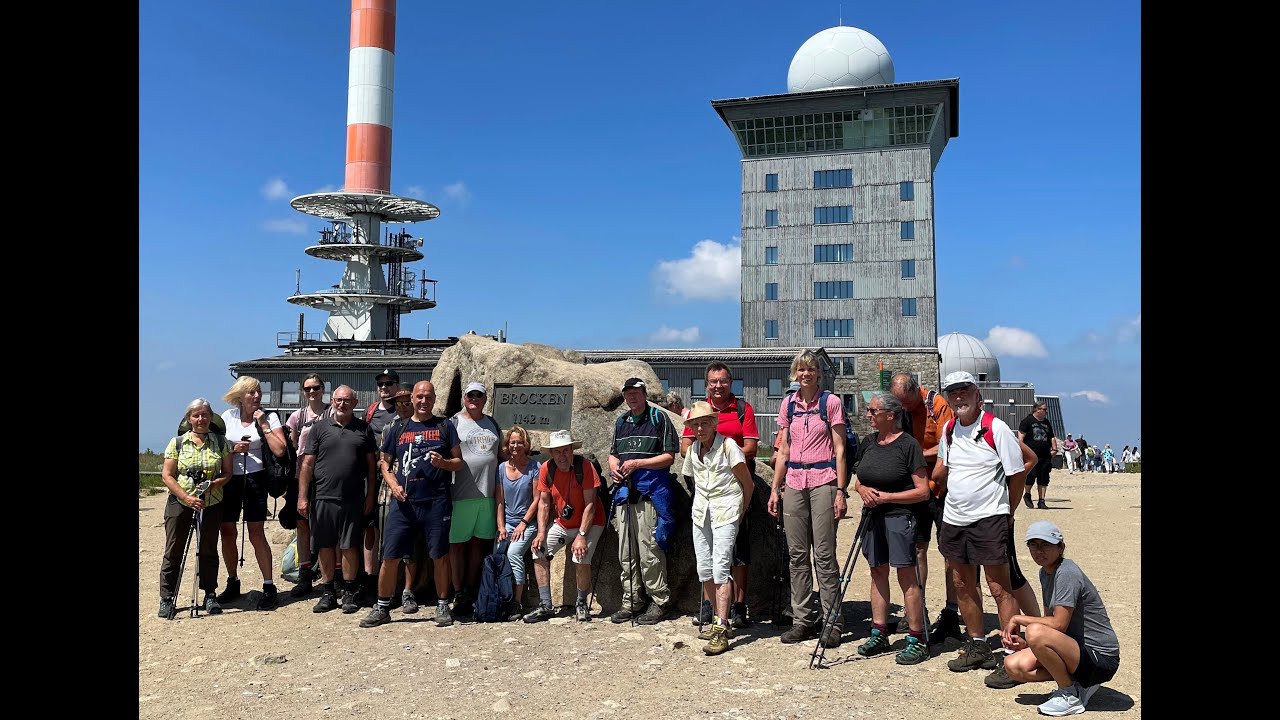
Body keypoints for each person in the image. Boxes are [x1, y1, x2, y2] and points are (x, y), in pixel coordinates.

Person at [931, 371, 1036, 682]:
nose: (959, 397)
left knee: (999, 588)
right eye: (953, 392)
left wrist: (1009, 511)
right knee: (963, 584)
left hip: (989, 517)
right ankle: (978, 645)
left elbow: (1017, 474)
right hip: (954, 518)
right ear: (948, 398)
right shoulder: (949, 429)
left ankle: (1010, 655)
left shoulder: (995, 427)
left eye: (965, 390)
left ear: (977, 394)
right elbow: (944, 470)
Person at [360, 380, 463, 628]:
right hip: (404, 503)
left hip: (436, 501)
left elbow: (459, 461)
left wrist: (445, 464)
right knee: (391, 555)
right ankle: (382, 606)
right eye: (419, 397)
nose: (423, 401)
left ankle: (442, 605)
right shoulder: (398, 428)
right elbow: (384, 463)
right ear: (412, 399)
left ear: (434, 399)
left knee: (439, 555)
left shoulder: (444, 426)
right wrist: (393, 485)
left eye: (428, 397)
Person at [768, 350, 849, 649]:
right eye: (801, 370)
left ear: (819, 373)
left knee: (825, 556)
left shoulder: (831, 403)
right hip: (793, 482)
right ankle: (802, 620)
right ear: (795, 373)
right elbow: (784, 450)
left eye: (811, 369)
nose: (806, 374)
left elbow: (840, 449)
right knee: (797, 556)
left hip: (823, 481)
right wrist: (775, 488)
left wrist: (841, 491)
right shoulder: (788, 404)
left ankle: (832, 621)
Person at [1001, 520, 1120, 716]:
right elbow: (1049, 623)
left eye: (1046, 545)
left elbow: (1059, 624)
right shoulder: (1045, 573)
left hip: (1100, 657)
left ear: (1061, 547)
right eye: (1033, 544)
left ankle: (1069, 694)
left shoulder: (1067, 572)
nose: (1039, 551)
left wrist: (1018, 619)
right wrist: (1028, 644)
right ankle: (1080, 684)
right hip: (1075, 649)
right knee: (1013, 666)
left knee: (1034, 631)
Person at [850, 391, 933, 664]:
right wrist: (863, 491)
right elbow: (858, 480)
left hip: (899, 516)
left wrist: (887, 498)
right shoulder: (868, 442)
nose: (869, 415)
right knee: (877, 571)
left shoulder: (908, 445)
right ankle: (879, 631)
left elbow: (922, 491)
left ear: (891, 415)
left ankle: (916, 636)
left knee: (906, 575)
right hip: (872, 517)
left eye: (873, 411)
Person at [681, 362, 760, 629]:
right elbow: (686, 448)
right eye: (713, 381)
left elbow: (750, 446)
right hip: (707, 502)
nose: (718, 386)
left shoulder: (741, 409)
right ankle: (712, 608)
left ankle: (735, 609)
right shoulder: (700, 411)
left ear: (730, 382)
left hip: (732, 491)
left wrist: (727, 454)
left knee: (735, 555)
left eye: (723, 381)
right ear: (707, 385)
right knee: (707, 561)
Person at [889, 371, 961, 643]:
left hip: (940, 489)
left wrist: (915, 456)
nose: (905, 409)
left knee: (950, 552)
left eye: (907, 403)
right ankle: (917, 611)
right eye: (900, 405)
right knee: (917, 549)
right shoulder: (897, 409)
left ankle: (952, 612)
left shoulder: (938, 405)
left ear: (916, 391)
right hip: (914, 490)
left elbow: (949, 445)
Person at [296, 385, 378, 614]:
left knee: (349, 546)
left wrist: (370, 496)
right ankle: (328, 591)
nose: (342, 404)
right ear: (332, 401)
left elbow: (372, 470)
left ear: (355, 402)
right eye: (338, 400)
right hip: (322, 497)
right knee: (325, 545)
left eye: (347, 401)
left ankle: (349, 591)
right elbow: (307, 464)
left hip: (353, 498)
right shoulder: (319, 428)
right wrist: (302, 497)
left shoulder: (364, 429)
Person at [607, 377, 680, 625]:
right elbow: (613, 454)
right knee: (626, 553)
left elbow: (669, 457)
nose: (632, 397)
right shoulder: (621, 422)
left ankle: (659, 601)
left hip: (650, 495)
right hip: (624, 495)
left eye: (636, 392)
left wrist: (638, 463)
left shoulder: (659, 418)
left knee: (650, 551)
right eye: (628, 393)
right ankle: (631, 601)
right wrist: (614, 466)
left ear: (645, 393)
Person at [158, 398, 234, 619]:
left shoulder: (221, 443)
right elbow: (167, 475)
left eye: (205, 415)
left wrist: (214, 484)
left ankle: (210, 594)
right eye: (196, 415)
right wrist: (186, 497)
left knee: (208, 548)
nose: (201, 419)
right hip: (180, 502)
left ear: (211, 418)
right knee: (173, 549)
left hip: (212, 502)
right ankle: (166, 597)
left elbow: (227, 473)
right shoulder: (178, 443)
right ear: (189, 419)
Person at [217, 376, 288, 611]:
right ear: (240, 396)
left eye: (258, 392)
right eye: (251, 393)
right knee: (227, 531)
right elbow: (218, 447)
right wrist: (233, 448)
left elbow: (280, 450)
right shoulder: (228, 418)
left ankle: (269, 585)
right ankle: (232, 580)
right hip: (230, 478)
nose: (257, 396)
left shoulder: (270, 417)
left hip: (256, 478)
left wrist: (264, 426)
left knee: (256, 532)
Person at [524, 430, 607, 623]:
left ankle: (581, 603)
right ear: (551, 453)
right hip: (563, 522)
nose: (562, 456)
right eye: (557, 452)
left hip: (591, 522)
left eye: (565, 451)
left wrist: (581, 535)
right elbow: (544, 503)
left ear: (572, 450)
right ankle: (545, 605)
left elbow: (591, 504)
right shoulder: (547, 468)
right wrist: (541, 532)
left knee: (580, 556)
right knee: (539, 551)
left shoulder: (585, 467)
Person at [447, 381, 505, 617]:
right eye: (470, 395)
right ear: (464, 397)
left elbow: (500, 455)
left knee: (478, 544)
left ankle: (470, 590)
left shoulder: (492, 423)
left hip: (487, 495)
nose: (474, 399)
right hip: (461, 495)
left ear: (484, 399)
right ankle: (457, 590)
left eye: (479, 395)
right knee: (457, 545)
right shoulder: (454, 423)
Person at [356, 368, 404, 605]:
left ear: (396, 386)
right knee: (370, 528)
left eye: (389, 384)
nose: (385, 388)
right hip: (371, 478)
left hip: (394, 477)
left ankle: (394, 584)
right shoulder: (371, 412)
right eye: (381, 385)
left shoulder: (403, 411)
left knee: (391, 529)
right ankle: (370, 578)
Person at [284, 373, 331, 598]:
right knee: (302, 525)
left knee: (325, 526)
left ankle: (330, 574)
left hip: (326, 477)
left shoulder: (332, 413)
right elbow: (291, 446)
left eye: (316, 388)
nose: (312, 392)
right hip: (300, 477)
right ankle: (304, 573)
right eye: (308, 389)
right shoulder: (297, 417)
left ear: (323, 389)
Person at [495, 425, 542, 620]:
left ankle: (516, 602)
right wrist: (501, 527)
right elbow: (499, 500)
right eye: (512, 442)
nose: (516, 446)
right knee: (496, 554)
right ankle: (500, 599)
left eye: (520, 442)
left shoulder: (534, 468)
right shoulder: (501, 468)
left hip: (528, 523)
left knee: (514, 553)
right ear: (507, 444)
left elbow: (537, 499)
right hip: (508, 523)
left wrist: (523, 523)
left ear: (526, 444)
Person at [1019, 401, 1058, 510]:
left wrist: (1054, 449)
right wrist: (1023, 452)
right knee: (1030, 476)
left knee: (1044, 477)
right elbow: (1020, 438)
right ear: (1037, 409)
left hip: (1045, 454)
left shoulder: (1046, 422)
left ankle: (1041, 500)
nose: (1046, 411)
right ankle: (1027, 494)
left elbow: (1051, 436)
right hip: (1031, 455)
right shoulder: (1027, 421)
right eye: (1044, 409)